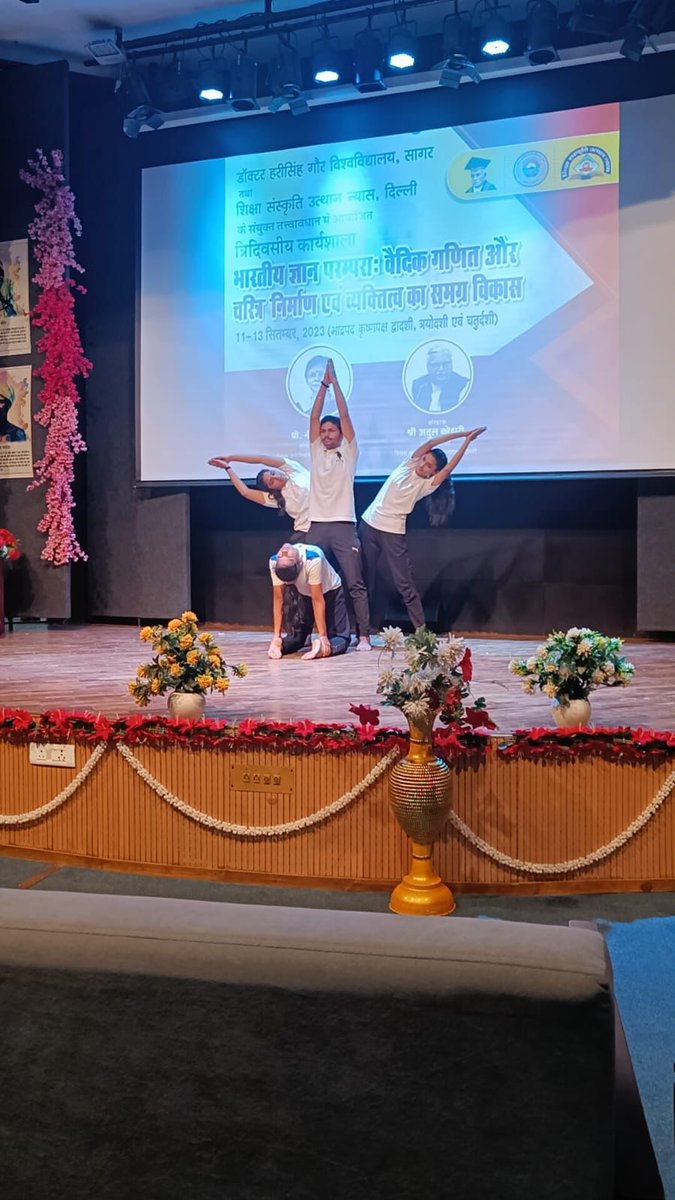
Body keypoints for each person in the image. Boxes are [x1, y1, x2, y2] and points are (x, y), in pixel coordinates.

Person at [360, 427, 487, 632]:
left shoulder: (426, 485)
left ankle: (421, 633)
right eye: (423, 460)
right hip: (368, 525)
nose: (423, 465)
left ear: (433, 473)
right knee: (364, 579)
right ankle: (362, 632)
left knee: (405, 585)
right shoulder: (407, 465)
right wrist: (462, 434)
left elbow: (448, 470)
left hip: (392, 532)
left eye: (428, 465)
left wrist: (467, 443)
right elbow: (430, 443)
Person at [306, 357, 371, 650]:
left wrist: (336, 386)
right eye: (324, 431)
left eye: (331, 431)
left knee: (354, 582)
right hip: (317, 525)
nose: (326, 434)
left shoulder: (349, 450)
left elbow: (344, 416)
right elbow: (313, 417)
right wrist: (322, 385)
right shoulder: (317, 450)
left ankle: (364, 636)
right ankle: (315, 632)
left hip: (344, 525)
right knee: (311, 582)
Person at [267, 542, 351, 660]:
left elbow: (317, 599)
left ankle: (324, 649)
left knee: (341, 637)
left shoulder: (313, 557)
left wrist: (323, 635)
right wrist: (277, 635)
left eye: (284, 556)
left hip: (331, 591)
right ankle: (280, 646)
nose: (284, 552)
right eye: (283, 556)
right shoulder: (275, 563)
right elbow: (278, 599)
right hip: (305, 594)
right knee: (299, 637)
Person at [208, 453, 310, 539]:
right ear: (271, 489)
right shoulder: (277, 499)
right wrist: (227, 468)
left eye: (273, 473)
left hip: (323, 521)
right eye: (272, 481)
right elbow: (245, 492)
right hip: (305, 531)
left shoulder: (294, 471)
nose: (276, 477)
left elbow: (261, 459)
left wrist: (230, 458)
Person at [411, 345, 470, 413]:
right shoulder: (418, 385)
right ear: (428, 366)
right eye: (436, 365)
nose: (441, 369)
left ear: (451, 365)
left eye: (445, 364)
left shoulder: (463, 384)